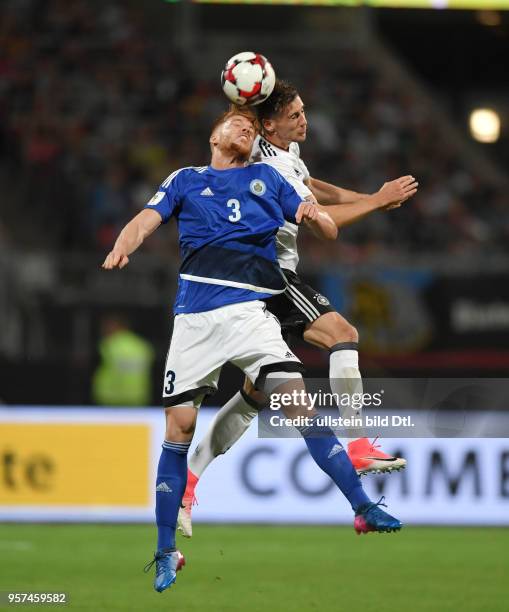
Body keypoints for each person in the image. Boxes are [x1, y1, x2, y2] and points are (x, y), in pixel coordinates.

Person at [102, 107, 402, 593]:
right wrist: (125, 244)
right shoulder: (185, 180)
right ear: (213, 135)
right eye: (234, 123)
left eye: (248, 124)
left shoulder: (268, 177)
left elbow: (326, 227)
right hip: (195, 321)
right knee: (180, 426)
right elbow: (145, 219)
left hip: (249, 315)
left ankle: (363, 508)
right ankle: (164, 550)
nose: (243, 127)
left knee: (299, 404)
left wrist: (313, 214)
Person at [179, 81, 417, 536]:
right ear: (269, 124)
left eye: (304, 111)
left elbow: (313, 186)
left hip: (251, 280)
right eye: (294, 115)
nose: (304, 119)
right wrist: (374, 202)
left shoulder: (283, 155)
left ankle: (189, 482)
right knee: (342, 333)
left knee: (255, 394)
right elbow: (319, 220)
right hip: (271, 275)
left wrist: (368, 197)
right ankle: (358, 442)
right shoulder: (266, 162)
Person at [92, 314, 155, 406]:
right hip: (137, 397)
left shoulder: (109, 344)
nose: (103, 330)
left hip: (110, 397)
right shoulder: (142, 345)